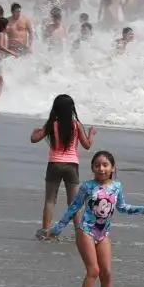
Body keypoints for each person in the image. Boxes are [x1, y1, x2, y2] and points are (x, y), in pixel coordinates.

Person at [45, 150, 144, 287]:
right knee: (93, 271)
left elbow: (122, 208)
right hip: (86, 231)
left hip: (103, 234)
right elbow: (74, 208)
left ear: (112, 168)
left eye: (105, 165)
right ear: (92, 168)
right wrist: (57, 228)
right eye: (97, 165)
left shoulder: (116, 187)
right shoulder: (87, 186)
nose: (101, 169)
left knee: (106, 272)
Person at [30, 94, 93, 237]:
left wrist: (34, 132)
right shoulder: (76, 125)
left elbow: (34, 139)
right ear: (72, 109)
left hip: (54, 164)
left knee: (50, 200)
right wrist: (91, 134)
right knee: (74, 202)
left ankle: (46, 231)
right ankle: (79, 232)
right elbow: (87, 145)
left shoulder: (52, 124)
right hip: (72, 165)